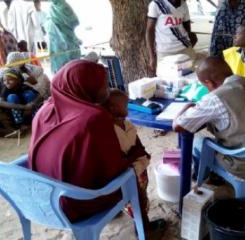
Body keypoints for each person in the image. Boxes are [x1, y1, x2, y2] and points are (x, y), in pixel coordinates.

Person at [28, 60, 165, 238]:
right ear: (86, 87)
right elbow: (113, 168)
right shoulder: (93, 118)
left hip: (43, 197)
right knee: (137, 173)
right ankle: (145, 229)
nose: (107, 90)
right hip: (77, 202)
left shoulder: (44, 110)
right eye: (103, 85)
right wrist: (139, 157)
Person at [173, 57, 245, 180]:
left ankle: (203, 178)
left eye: (205, 86)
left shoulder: (216, 98)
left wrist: (187, 106)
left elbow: (179, 126)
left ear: (209, 83)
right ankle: (215, 174)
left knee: (198, 142)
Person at [103, 89, 151, 217]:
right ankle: (141, 225)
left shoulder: (127, 124)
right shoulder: (109, 131)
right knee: (132, 198)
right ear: (113, 108)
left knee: (142, 192)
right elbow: (117, 160)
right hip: (127, 172)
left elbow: (137, 141)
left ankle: (142, 216)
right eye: (125, 105)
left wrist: (143, 152)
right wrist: (135, 154)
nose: (127, 108)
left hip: (140, 166)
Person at [146, 0, 197, 74]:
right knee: (166, 77)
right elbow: (149, 30)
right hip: (165, 52)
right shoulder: (156, 4)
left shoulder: (183, 4)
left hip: (184, 50)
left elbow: (187, 26)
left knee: (188, 76)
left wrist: (190, 43)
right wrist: (152, 57)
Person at [45, 0, 81, 73]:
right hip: (63, 44)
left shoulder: (55, 8)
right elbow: (74, 21)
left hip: (61, 44)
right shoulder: (59, 6)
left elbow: (74, 21)